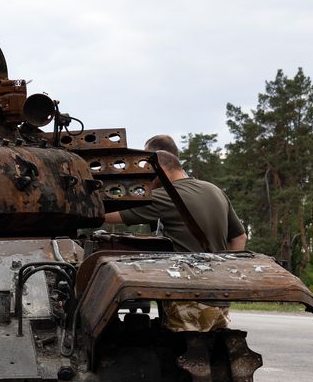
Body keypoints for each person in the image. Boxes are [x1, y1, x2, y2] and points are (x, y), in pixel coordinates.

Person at [102, 137, 246, 330]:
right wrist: (223, 275)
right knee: (213, 350)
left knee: (189, 353)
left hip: (187, 299)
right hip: (220, 298)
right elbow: (239, 238)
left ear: (158, 170)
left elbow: (108, 216)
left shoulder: (166, 196)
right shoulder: (214, 190)